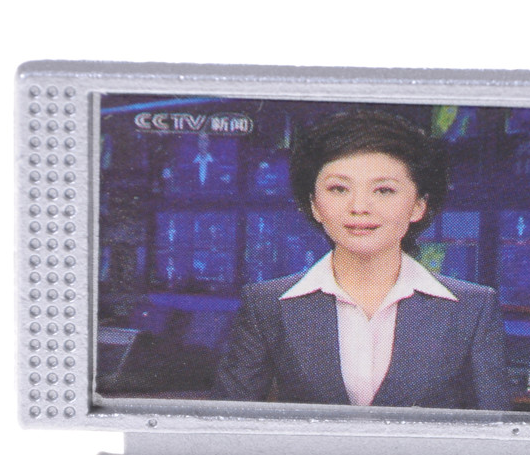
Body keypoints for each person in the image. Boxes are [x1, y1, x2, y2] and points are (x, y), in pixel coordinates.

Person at [212, 110, 511, 410]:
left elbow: (494, 430)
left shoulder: (472, 308)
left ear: (418, 206)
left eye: (383, 190)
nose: (359, 207)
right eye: (339, 189)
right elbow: (226, 424)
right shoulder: (266, 305)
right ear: (314, 205)